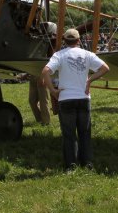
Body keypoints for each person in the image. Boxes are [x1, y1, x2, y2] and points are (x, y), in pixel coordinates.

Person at [42, 28, 109, 171]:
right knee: (85, 132)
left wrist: (53, 91)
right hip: (83, 97)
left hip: (66, 99)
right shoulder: (88, 54)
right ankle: (87, 163)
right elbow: (105, 68)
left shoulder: (59, 55)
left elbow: (45, 72)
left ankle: (71, 167)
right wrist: (89, 80)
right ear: (79, 40)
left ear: (65, 41)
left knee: (69, 134)